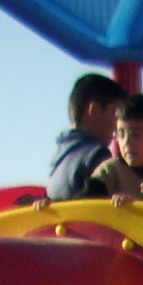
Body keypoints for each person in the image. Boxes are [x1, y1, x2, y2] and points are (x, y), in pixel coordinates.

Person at [47, 72, 124, 201]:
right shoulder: (96, 155)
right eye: (116, 115)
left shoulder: (58, 159)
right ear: (94, 111)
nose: (119, 124)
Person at [89, 93, 143, 200]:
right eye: (121, 134)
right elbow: (83, 203)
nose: (127, 142)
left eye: (136, 135)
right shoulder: (110, 172)